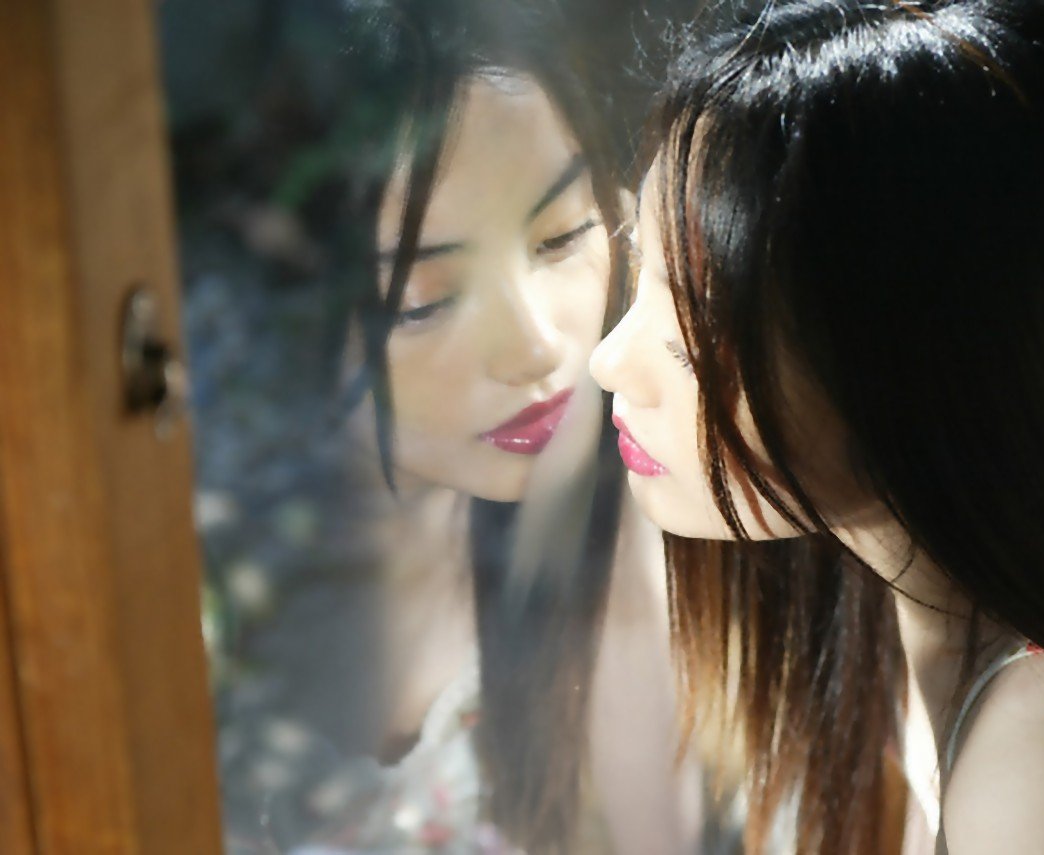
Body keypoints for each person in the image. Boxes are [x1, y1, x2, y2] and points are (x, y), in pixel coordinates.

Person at [589, 1, 1044, 853]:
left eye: (696, 323)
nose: (610, 361)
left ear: (912, 359)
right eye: (640, 265)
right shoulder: (878, 588)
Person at [212, 1, 711, 853]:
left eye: (561, 237)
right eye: (424, 299)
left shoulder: (611, 507)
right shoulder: (207, 562)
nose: (536, 345)